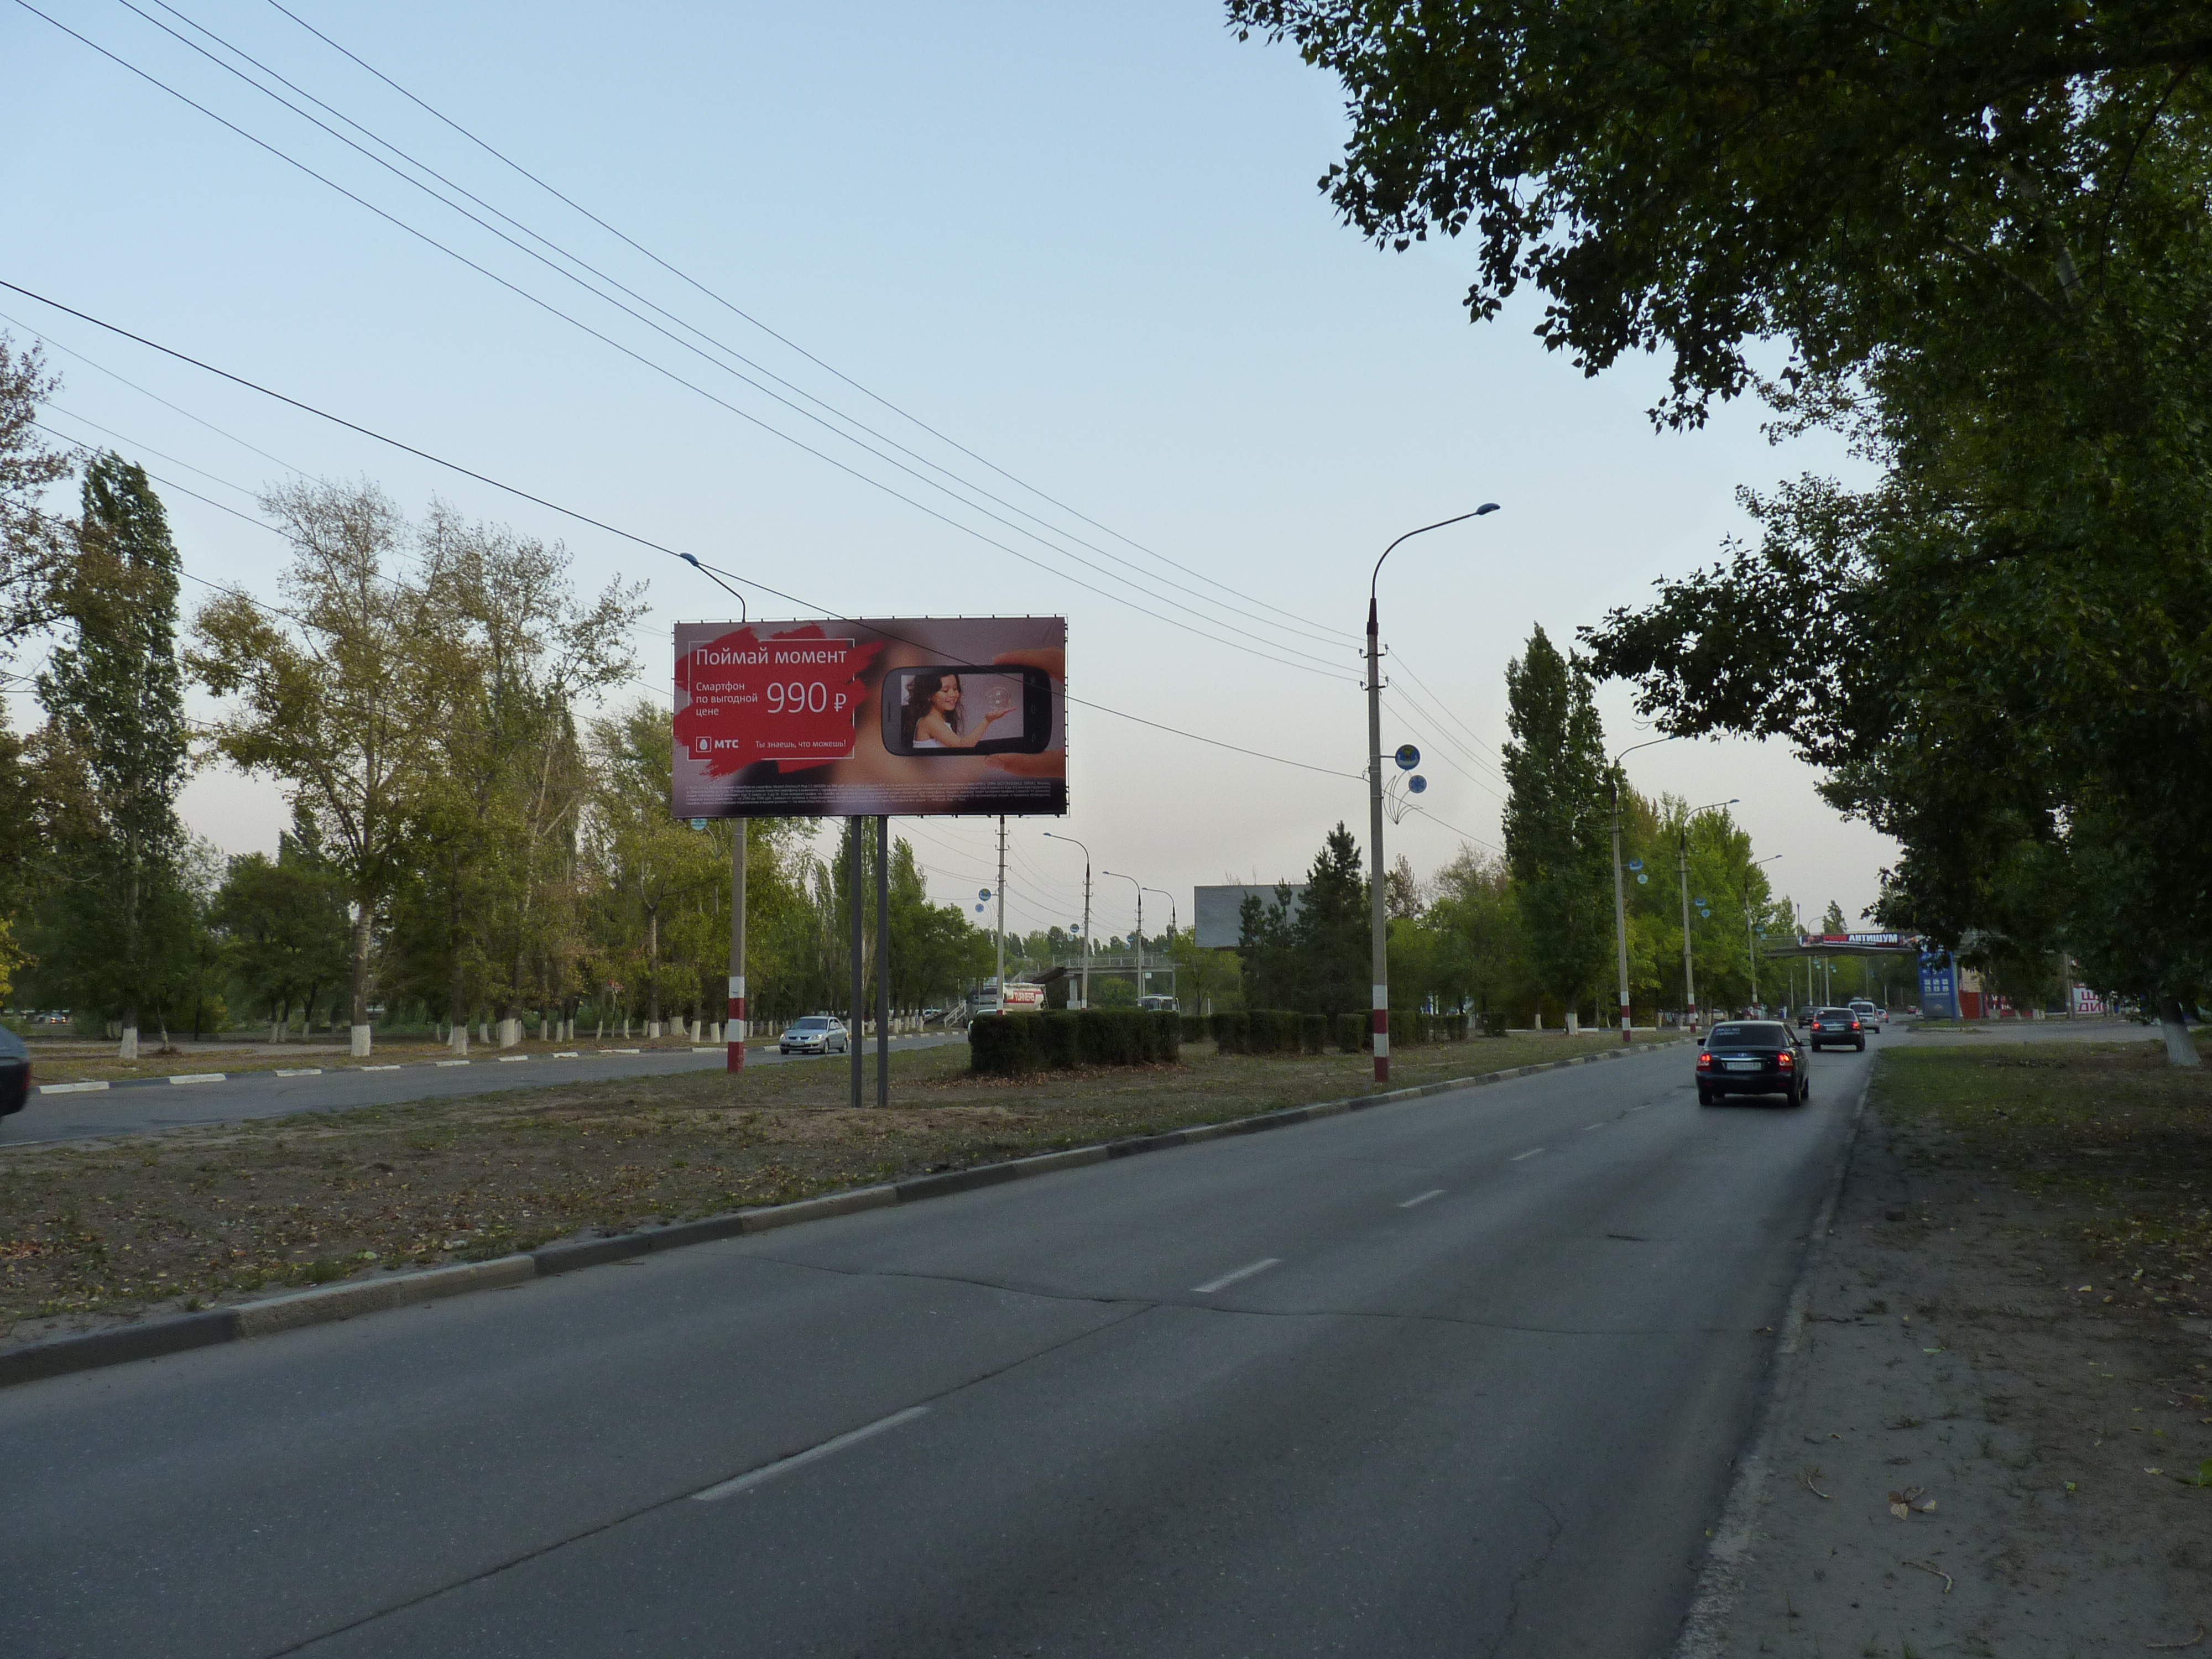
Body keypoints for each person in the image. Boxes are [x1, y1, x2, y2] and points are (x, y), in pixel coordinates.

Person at [901, 670, 1011, 750]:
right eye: (945, 690)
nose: (953, 694)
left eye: (955, 689)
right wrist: (987, 720)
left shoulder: (940, 719)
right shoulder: (930, 722)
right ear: (929, 695)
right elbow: (962, 746)